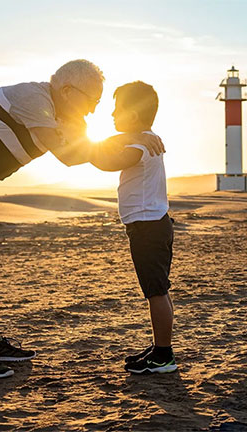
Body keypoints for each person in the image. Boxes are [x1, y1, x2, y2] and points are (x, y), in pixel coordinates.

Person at [0, 60, 165, 379]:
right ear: (67, 91)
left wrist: (129, 138)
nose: (92, 112)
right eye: (92, 102)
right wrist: (127, 139)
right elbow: (69, 155)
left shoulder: (70, 116)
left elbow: (88, 152)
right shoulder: (35, 100)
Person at [88, 81, 176, 374]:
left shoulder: (140, 145)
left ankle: (164, 355)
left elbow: (106, 162)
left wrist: (84, 146)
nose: (112, 115)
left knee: (156, 291)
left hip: (149, 227)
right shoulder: (144, 138)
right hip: (151, 225)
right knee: (157, 289)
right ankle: (159, 348)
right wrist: (130, 133)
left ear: (134, 116)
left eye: (117, 110)